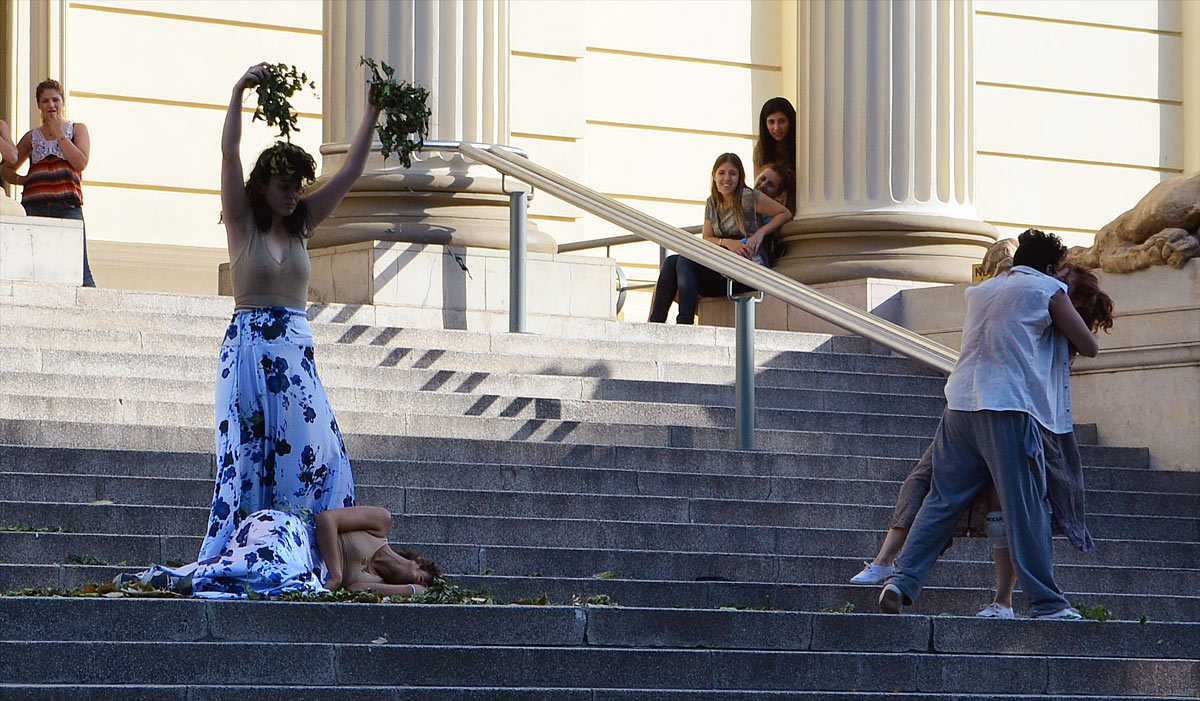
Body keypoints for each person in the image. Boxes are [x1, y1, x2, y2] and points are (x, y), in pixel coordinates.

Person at [851, 264, 1115, 616]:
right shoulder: (1036, 294)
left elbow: (1077, 348)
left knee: (949, 500)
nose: (1056, 279)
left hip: (966, 406)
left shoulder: (1020, 298)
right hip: (1002, 412)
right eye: (1057, 272)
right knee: (1020, 509)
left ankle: (905, 578)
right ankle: (1041, 602)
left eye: (1063, 279)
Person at [199, 63, 381, 572]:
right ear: (263, 187)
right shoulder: (241, 224)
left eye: (297, 184)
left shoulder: (304, 225)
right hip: (251, 348)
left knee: (316, 447)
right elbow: (229, 153)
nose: (293, 191)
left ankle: (308, 550)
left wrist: (372, 111)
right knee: (250, 455)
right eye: (283, 184)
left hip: (296, 355)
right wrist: (238, 91)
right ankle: (257, 548)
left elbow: (349, 172)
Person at [124, 506, 442, 599]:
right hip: (291, 534)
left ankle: (171, 578)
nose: (418, 583)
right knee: (274, 565)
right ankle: (179, 577)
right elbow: (326, 519)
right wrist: (335, 572)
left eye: (422, 585)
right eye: (422, 577)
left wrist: (409, 591)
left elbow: (354, 588)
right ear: (418, 561)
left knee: (282, 580)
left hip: (300, 567)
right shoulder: (380, 524)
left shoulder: (370, 580)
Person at [647, 153, 789, 324]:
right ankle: (656, 324)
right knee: (671, 262)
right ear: (714, 176)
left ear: (740, 177)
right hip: (721, 266)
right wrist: (727, 243)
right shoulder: (712, 202)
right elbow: (707, 237)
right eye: (721, 173)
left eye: (732, 173)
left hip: (746, 269)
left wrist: (759, 234)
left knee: (686, 259)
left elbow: (784, 213)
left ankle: (685, 322)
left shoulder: (749, 197)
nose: (727, 178)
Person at [1, 79, 94, 286]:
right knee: (34, 263)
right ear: (39, 105)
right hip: (35, 205)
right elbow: (7, 167)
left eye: (55, 100)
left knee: (79, 266)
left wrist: (59, 133)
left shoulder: (76, 129)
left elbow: (80, 162)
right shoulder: (32, 137)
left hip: (67, 205)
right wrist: (22, 180)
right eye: (45, 101)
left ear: (63, 102)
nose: (51, 105)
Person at [752, 97, 797, 208]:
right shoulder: (760, 150)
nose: (776, 128)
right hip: (771, 210)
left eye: (782, 121)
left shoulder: (802, 147)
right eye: (771, 122)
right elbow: (758, 189)